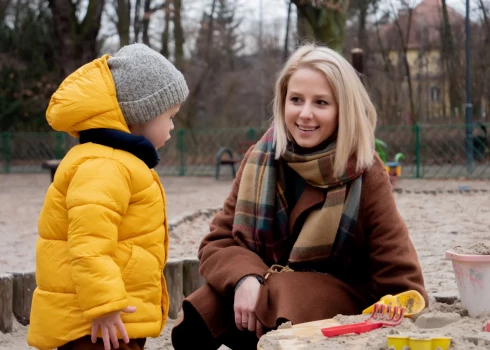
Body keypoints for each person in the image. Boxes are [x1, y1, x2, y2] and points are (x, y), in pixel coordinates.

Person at [171, 44, 428, 349]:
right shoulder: (260, 158)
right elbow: (217, 243)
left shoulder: (365, 171)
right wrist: (245, 278)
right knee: (206, 306)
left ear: (342, 109)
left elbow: (403, 281)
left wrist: (394, 306)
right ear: (282, 103)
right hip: (263, 299)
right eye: (296, 100)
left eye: (321, 102)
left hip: (337, 304)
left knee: (279, 290)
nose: (305, 114)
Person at [27, 43, 189, 350]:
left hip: (110, 318)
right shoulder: (105, 165)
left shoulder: (118, 161)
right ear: (141, 114)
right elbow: (88, 243)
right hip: (94, 325)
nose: (172, 126)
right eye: (169, 116)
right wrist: (103, 305)